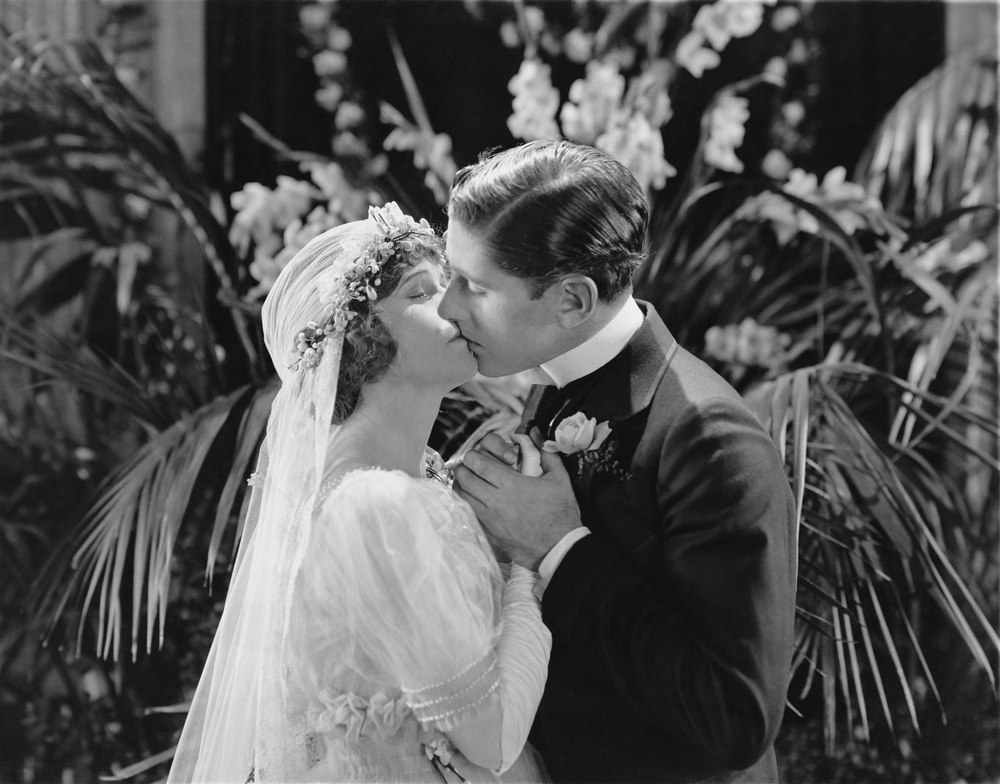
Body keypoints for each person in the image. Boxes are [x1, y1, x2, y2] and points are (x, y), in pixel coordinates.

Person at [441, 139, 797, 784]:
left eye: (474, 286)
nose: (446, 307)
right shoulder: (552, 384)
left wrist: (559, 544)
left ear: (573, 301)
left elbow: (736, 718)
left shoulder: (709, 438)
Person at [167, 203, 552, 783]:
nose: (455, 307)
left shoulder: (418, 478)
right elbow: (492, 739)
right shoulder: (374, 509)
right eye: (421, 293)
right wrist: (526, 565)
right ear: (360, 340)